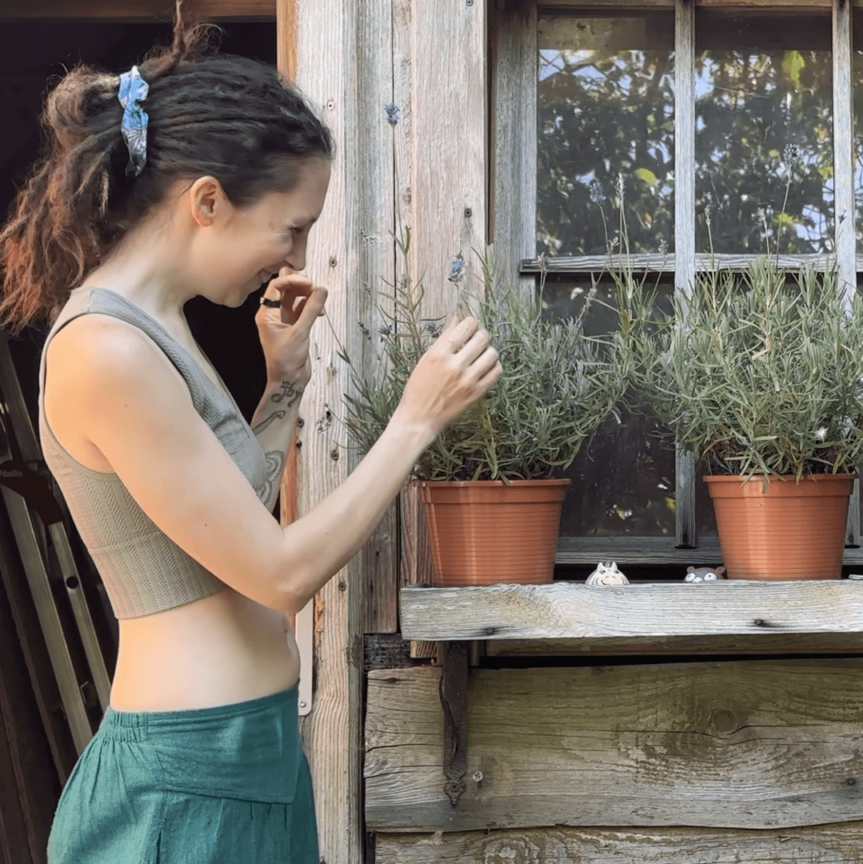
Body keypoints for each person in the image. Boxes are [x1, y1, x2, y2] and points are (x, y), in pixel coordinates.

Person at [0, 14, 501, 864]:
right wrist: (415, 418)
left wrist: (284, 384)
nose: (294, 254)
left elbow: (232, 526)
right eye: (292, 225)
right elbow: (277, 573)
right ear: (206, 200)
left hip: (248, 757)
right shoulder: (105, 350)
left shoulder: (160, 324)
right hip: (183, 779)